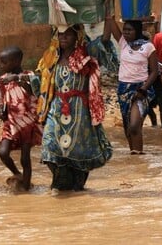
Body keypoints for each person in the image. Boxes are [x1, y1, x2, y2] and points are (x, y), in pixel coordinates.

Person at [36, 25, 112, 191]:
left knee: (80, 150)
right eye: (60, 35)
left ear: (76, 37)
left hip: (80, 110)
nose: (63, 38)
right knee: (50, 146)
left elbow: (105, 39)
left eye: (67, 35)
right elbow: (41, 81)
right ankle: (60, 179)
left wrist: (109, 15)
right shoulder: (51, 57)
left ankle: (77, 185)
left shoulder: (86, 53)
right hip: (56, 108)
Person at [103, 16, 159, 154]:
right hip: (123, 90)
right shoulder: (123, 43)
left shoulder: (148, 47)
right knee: (128, 128)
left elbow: (154, 72)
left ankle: (138, 155)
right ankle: (135, 157)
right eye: (124, 30)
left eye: (129, 30)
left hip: (141, 90)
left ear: (137, 31)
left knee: (134, 125)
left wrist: (143, 89)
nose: (126, 32)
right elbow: (110, 21)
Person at [0, 46, 42, 191]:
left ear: (16, 61)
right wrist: (1, 110)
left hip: (26, 123)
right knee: (3, 153)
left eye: (4, 63)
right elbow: (1, 98)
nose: (1, 66)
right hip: (10, 123)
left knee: (25, 158)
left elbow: (35, 92)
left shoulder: (29, 76)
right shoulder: (3, 79)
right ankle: (17, 174)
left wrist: (18, 79)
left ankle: (26, 188)